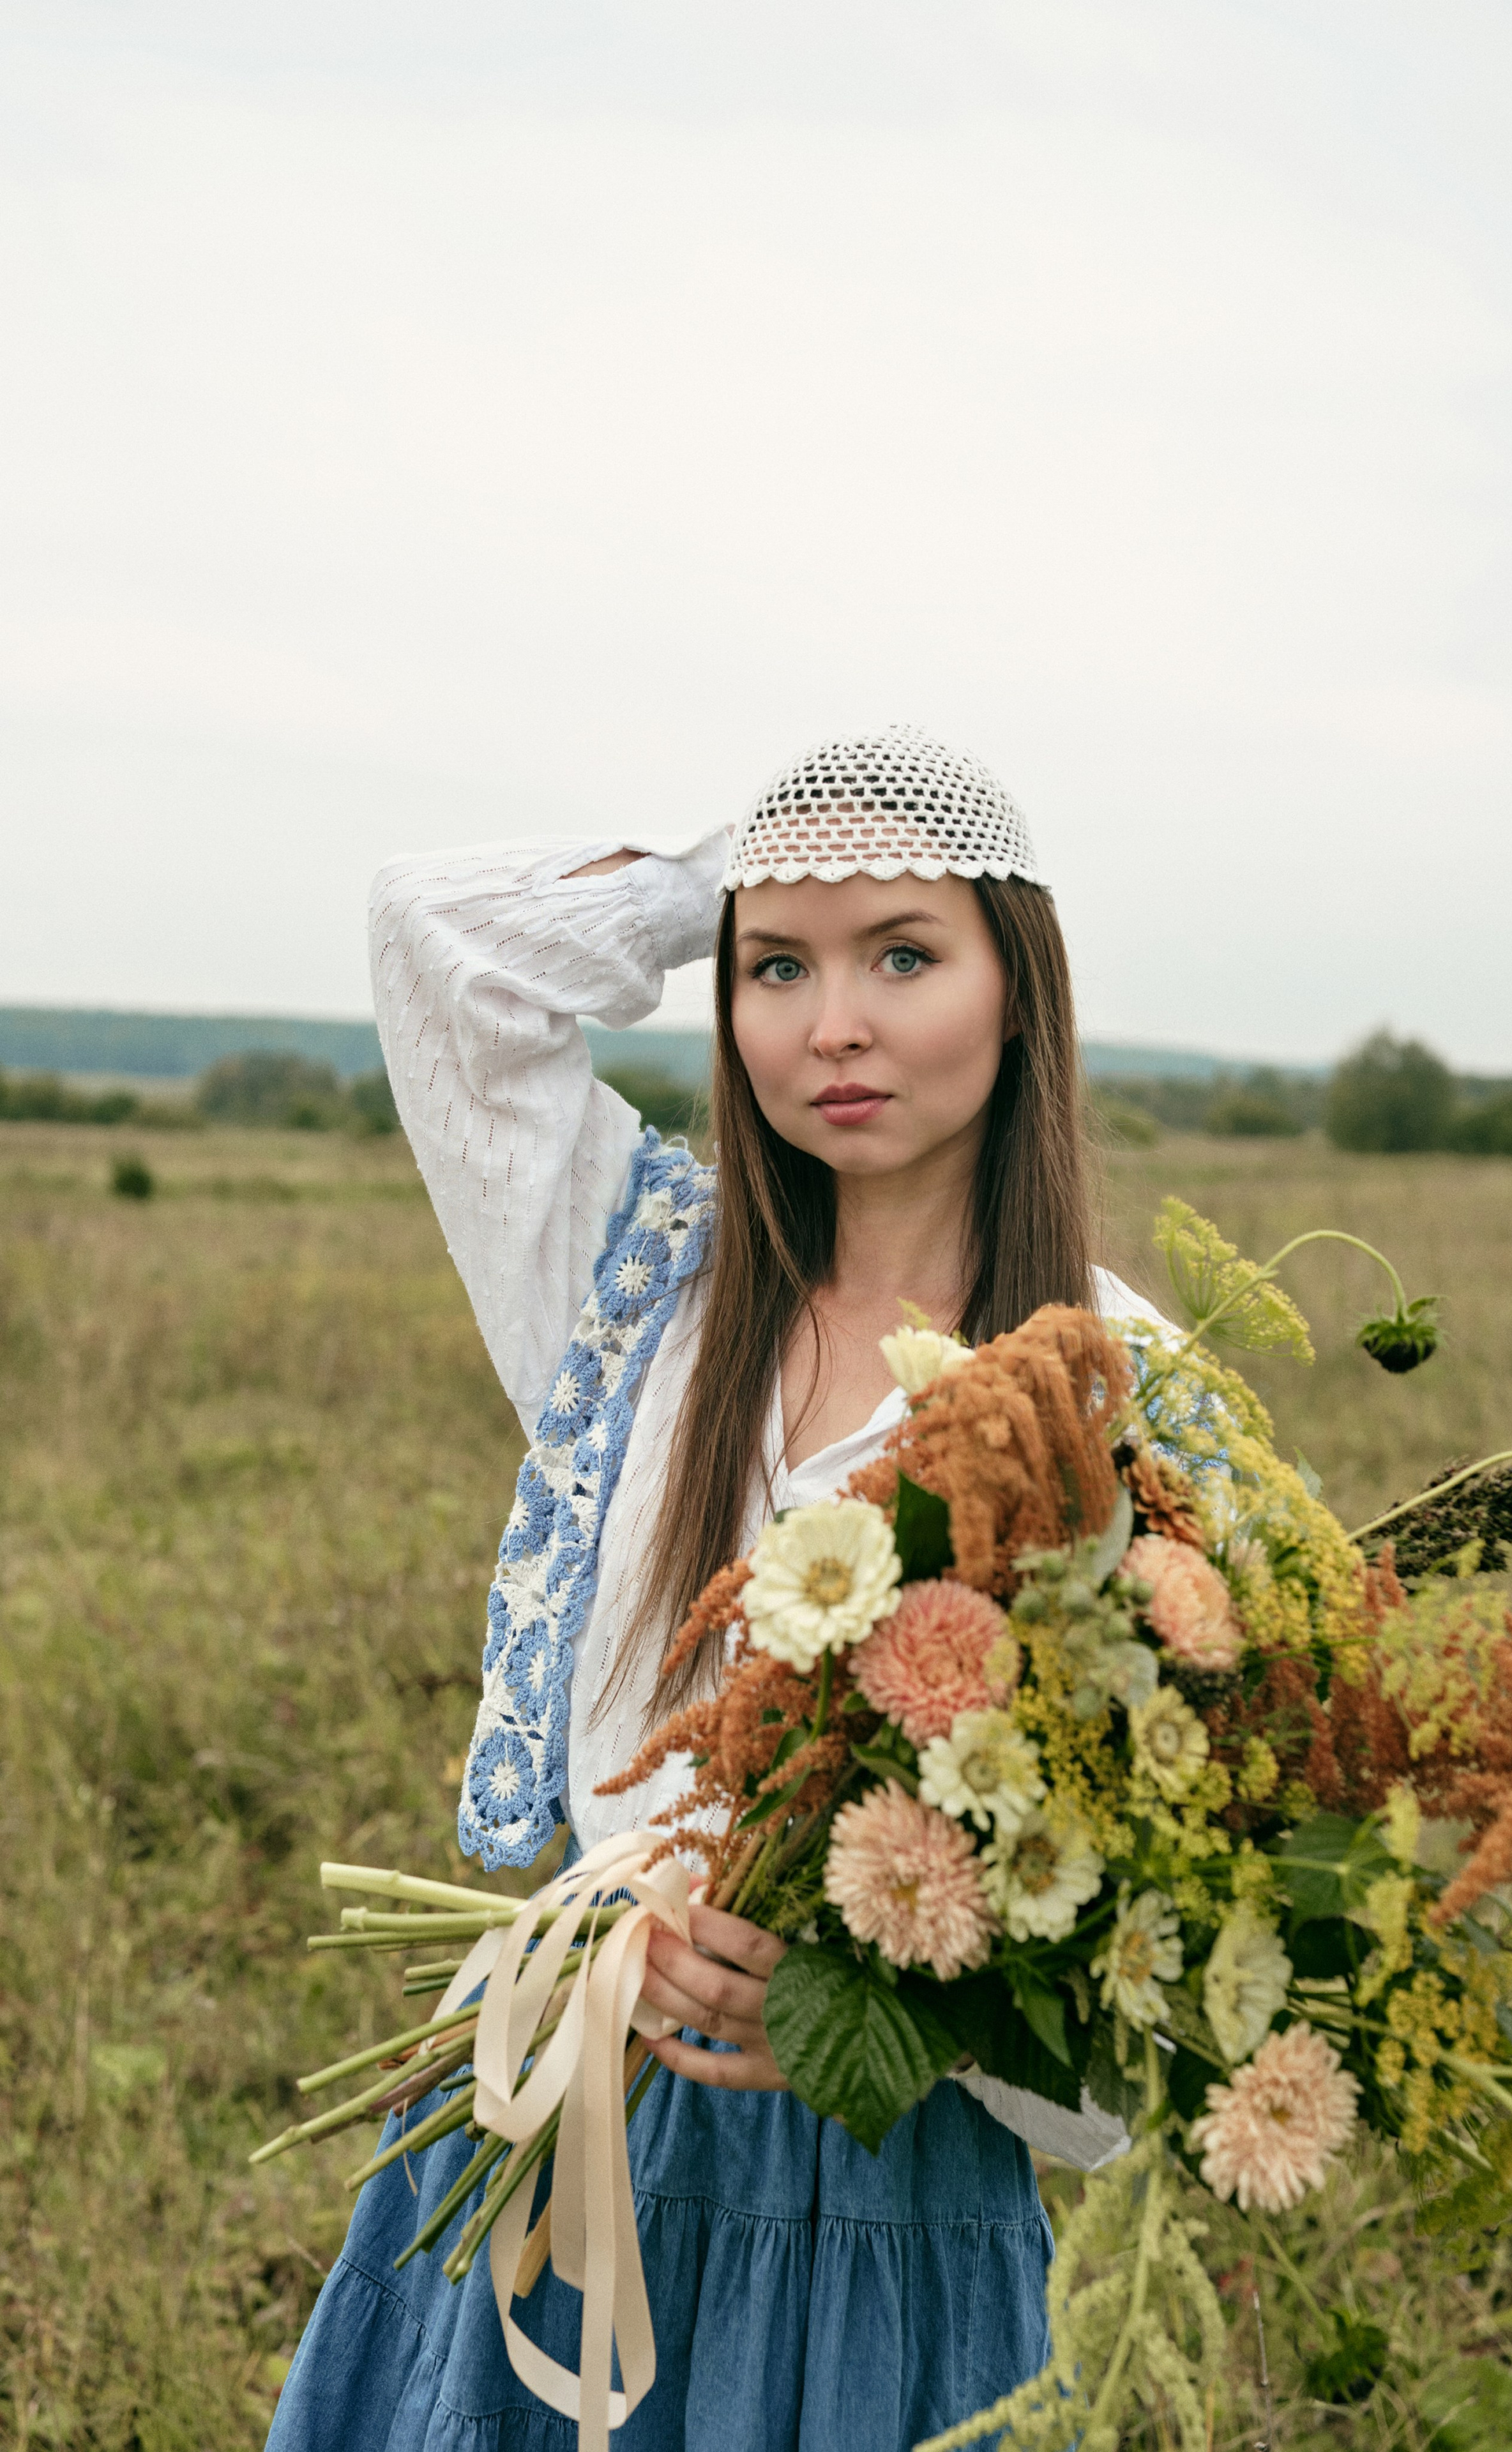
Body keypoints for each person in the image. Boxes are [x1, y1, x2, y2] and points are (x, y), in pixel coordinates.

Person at [268, 725, 1167, 2452]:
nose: (832, 1023)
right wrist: (750, 859)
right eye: (777, 967)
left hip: (880, 2186)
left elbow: (1157, 1958)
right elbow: (438, 939)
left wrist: (897, 2006)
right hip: (541, 2120)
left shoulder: (1122, 1381)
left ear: (1017, 982)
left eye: (906, 952)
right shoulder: (639, 1281)